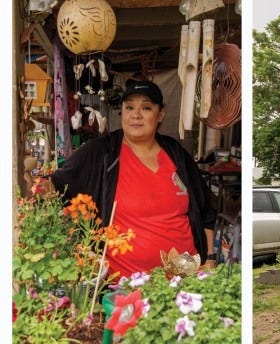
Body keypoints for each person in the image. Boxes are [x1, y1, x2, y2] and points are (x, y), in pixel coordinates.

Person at [50, 80, 217, 279]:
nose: (136, 115)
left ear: (160, 114)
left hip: (187, 282)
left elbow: (205, 209)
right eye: (129, 107)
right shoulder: (103, 152)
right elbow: (55, 186)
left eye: (146, 108)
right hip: (125, 286)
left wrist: (210, 259)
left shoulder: (175, 153)